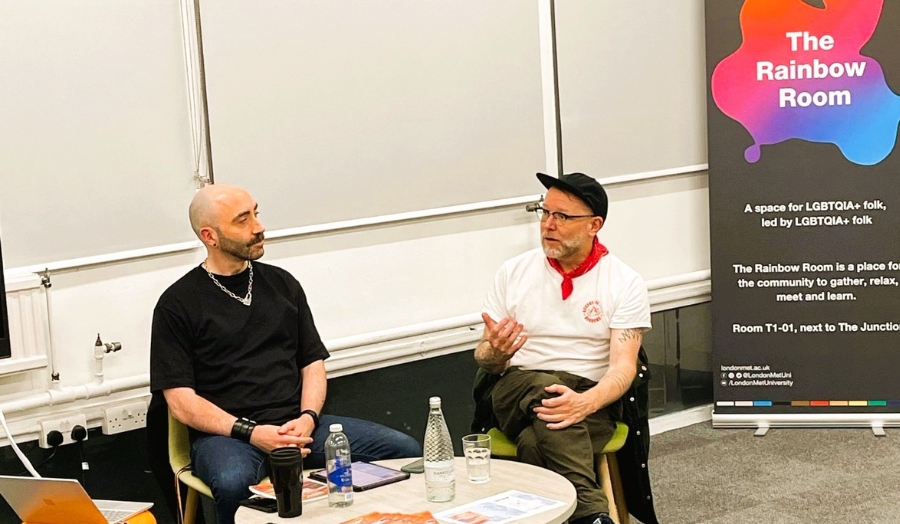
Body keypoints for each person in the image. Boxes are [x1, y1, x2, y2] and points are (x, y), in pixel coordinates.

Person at [150, 184, 421, 524]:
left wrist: (308, 416)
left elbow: (312, 363)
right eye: (242, 220)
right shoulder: (177, 304)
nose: (258, 226)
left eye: (256, 213)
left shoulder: (282, 284)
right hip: (229, 436)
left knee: (403, 451)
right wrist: (252, 433)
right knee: (233, 482)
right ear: (211, 236)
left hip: (299, 425)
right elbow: (180, 402)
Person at [475, 173, 651, 524]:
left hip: (591, 398)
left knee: (534, 442)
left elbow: (623, 369)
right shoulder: (513, 272)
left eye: (563, 216)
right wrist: (495, 352)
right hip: (516, 388)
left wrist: (585, 401)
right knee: (545, 389)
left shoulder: (624, 282)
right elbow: (484, 358)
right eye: (544, 212)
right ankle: (592, 513)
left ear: (594, 225)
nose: (548, 224)